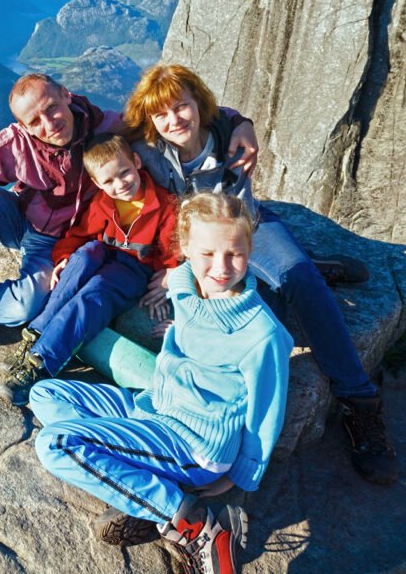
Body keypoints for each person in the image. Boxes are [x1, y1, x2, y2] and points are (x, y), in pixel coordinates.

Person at [127, 64, 398, 485]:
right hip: (202, 246)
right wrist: (174, 267)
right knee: (255, 313)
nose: (174, 120)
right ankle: (301, 269)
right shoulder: (145, 149)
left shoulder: (223, 132)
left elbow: (226, 112)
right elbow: (97, 136)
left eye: (182, 107)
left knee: (297, 281)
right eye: (161, 114)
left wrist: (243, 123)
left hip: (250, 225)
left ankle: (360, 402)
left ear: (198, 104)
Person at [0, 73, 259, 363]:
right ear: (22, 126)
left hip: (59, 240)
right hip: (19, 219)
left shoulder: (102, 126)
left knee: (25, 307)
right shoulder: (15, 144)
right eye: (34, 121)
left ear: (66, 94)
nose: (49, 124)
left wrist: (240, 122)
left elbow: (165, 114)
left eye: (51, 108)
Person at [32, 193, 293, 574]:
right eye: (207, 253)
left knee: (55, 443)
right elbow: (187, 305)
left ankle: (195, 523)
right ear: (185, 248)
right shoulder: (186, 282)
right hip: (155, 406)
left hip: (195, 442)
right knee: (45, 393)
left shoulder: (262, 334)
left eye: (234, 254)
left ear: (249, 248)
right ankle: (143, 480)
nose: (221, 267)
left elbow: (267, 409)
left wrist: (236, 477)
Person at [0, 133, 180, 405]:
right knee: (85, 255)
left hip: (133, 270)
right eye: (109, 181)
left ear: (137, 162)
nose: (120, 184)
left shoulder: (164, 206)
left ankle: (43, 361)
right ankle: (35, 334)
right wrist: (63, 259)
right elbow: (78, 235)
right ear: (97, 183)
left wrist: (168, 276)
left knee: (96, 290)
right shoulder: (102, 203)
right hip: (103, 254)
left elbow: (173, 250)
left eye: (125, 173)